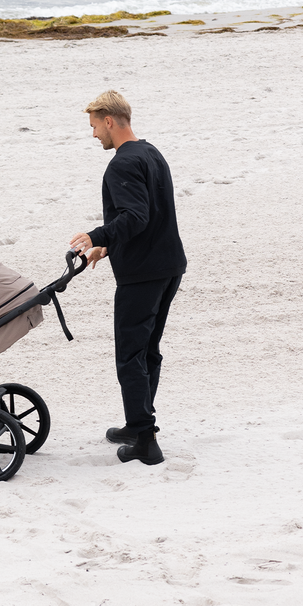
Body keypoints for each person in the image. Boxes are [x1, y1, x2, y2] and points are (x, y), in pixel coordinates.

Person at [69, 91, 186, 465]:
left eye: (93, 127)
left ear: (109, 121)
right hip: (169, 266)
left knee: (130, 355)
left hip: (143, 275)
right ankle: (139, 423)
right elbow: (151, 214)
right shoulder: (151, 152)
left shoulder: (121, 164)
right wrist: (109, 247)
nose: (93, 136)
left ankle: (145, 440)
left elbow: (135, 217)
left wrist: (96, 236)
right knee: (148, 350)